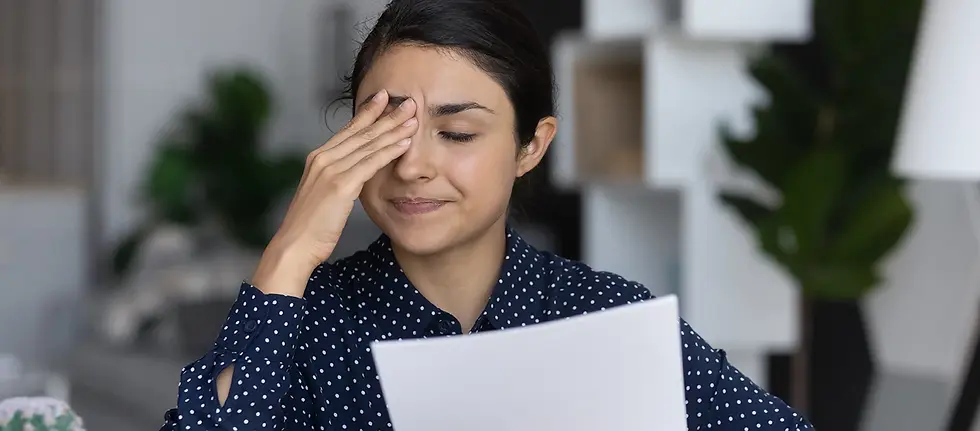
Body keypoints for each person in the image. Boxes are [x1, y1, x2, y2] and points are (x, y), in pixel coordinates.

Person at [161, 0, 813, 429]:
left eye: (457, 133)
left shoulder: (608, 318)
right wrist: (291, 251)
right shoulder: (304, 324)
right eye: (384, 132)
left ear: (531, 144)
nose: (411, 166)